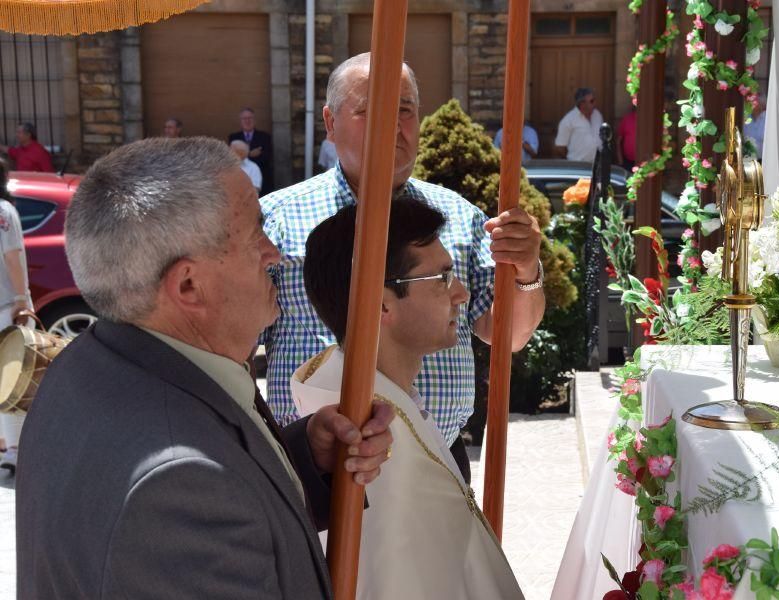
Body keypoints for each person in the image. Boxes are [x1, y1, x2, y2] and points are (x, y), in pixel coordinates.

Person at [16, 137, 394, 599]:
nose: (274, 253)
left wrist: (306, 460)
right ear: (189, 286)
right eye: (257, 233)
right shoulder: (180, 485)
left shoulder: (91, 363)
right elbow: (191, 484)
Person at [261, 52, 545, 484]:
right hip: (320, 469)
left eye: (405, 111)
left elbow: (508, 334)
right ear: (331, 123)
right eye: (368, 111)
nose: (392, 126)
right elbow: (235, 347)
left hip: (436, 463)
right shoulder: (276, 220)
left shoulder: (458, 216)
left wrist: (525, 268)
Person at [297, 196, 524, 599]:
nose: (461, 294)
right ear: (381, 303)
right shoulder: (365, 433)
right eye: (441, 278)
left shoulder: (386, 395)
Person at [0, 158, 30, 475]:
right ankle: (16, 450)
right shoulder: (4, 212)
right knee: (13, 379)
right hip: (6, 305)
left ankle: (7, 444)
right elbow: (12, 258)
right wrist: (22, 299)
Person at [228, 107, 274, 195]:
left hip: (262, 179)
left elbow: (267, 156)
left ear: (254, 120)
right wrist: (249, 154)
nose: (247, 121)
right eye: (244, 118)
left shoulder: (264, 136)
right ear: (240, 121)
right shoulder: (234, 137)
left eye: (250, 118)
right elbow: (232, 156)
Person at [554, 87, 605, 162]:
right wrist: (573, 159)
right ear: (582, 103)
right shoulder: (568, 120)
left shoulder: (597, 115)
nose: (595, 103)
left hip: (598, 165)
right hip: (578, 166)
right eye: (592, 101)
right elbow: (560, 147)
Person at [744, 93, 767, 159]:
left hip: (764, 160)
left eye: (754, 102)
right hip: (747, 159)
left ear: (761, 104)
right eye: (749, 102)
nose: (750, 104)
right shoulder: (746, 119)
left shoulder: (768, 118)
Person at [616, 106, 637, 172]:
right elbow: (618, 142)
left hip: (644, 162)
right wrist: (620, 161)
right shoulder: (626, 119)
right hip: (627, 162)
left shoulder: (647, 121)